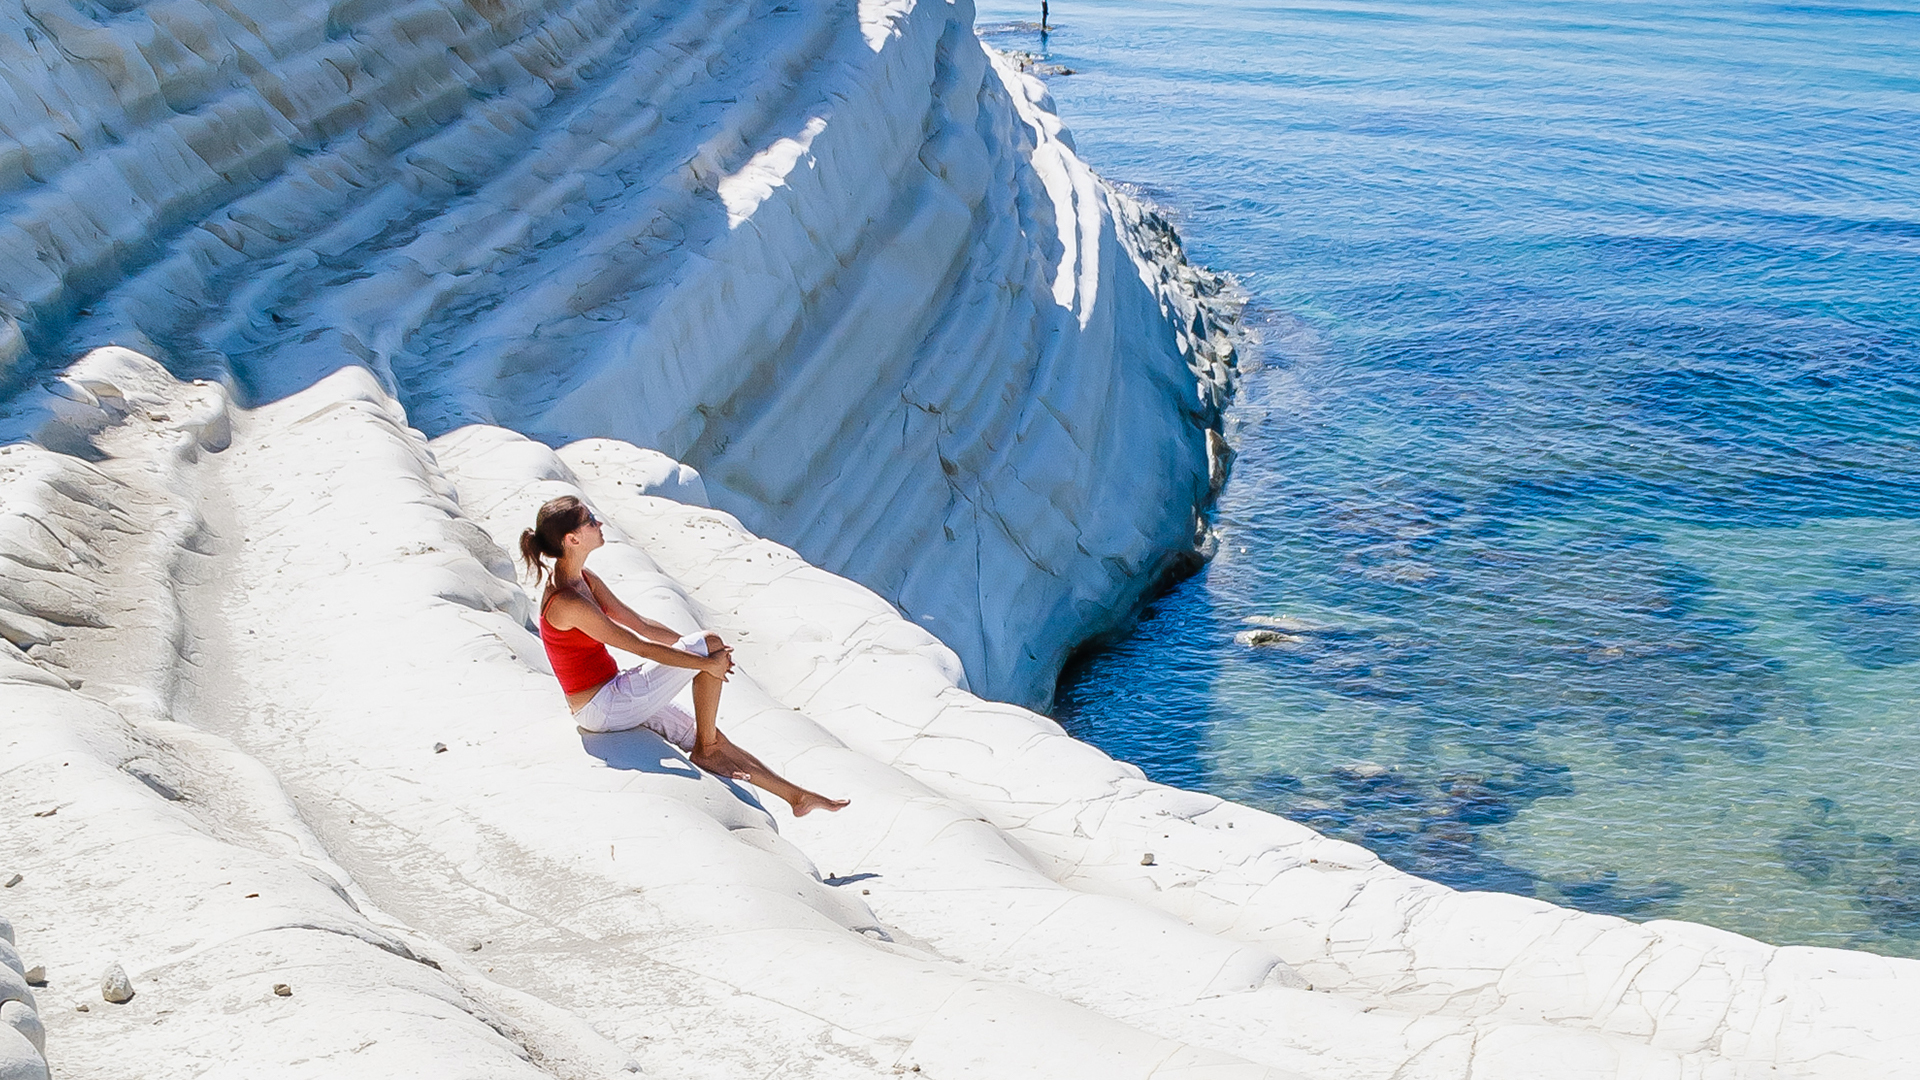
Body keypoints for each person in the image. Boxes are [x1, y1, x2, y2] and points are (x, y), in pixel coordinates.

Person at [519, 495, 848, 816]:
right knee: (711, 644)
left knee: (712, 730)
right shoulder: (566, 601)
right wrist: (704, 660)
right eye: (590, 521)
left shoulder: (583, 580)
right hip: (601, 707)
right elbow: (637, 645)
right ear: (572, 538)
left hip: (613, 692)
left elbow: (642, 624)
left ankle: (796, 797)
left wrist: (694, 649)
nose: (599, 523)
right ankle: (705, 750)